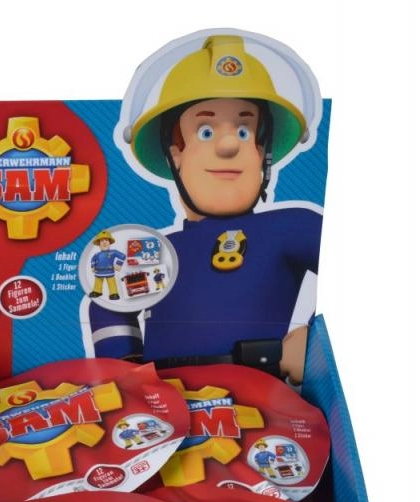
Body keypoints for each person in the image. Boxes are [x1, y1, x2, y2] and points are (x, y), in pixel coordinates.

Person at [88, 33, 323, 383]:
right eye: (206, 131)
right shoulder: (155, 251)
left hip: (259, 403)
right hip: (164, 405)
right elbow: (106, 301)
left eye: (244, 131)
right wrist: (126, 368)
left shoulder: (290, 226)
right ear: (175, 153)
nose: (229, 145)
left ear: (262, 153)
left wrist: (313, 342)